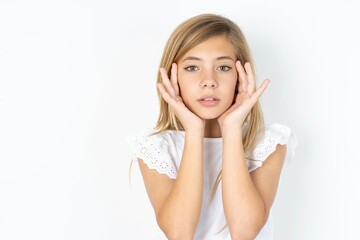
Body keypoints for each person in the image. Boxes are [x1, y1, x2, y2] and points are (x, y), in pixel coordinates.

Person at [127, 13, 296, 240]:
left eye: (223, 68)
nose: (209, 80)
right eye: (192, 68)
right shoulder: (157, 148)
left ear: (241, 76)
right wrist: (194, 131)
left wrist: (232, 129)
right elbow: (179, 233)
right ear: (173, 77)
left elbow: (244, 231)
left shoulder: (268, 143)